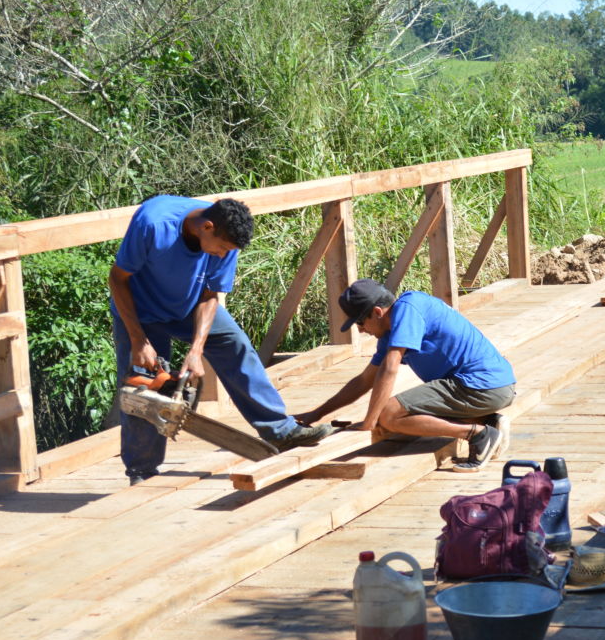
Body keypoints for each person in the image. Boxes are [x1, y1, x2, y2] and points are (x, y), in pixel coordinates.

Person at [109, 195, 330, 484]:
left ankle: (280, 429)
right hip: (139, 313)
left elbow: (212, 293)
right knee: (142, 388)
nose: (223, 255)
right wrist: (139, 340)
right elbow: (117, 279)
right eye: (222, 248)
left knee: (235, 345)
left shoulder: (227, 239)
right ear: (207, 227)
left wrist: (196, 350)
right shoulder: (154, 223)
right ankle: (142, 471)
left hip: (188, 306)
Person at [294, 279, 515, 470]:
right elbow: (364, 381)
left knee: (389, 414)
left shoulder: (409, 308)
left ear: (377, 312)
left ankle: (478, 435)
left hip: (480, 384)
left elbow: (390, 368)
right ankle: (487, 420)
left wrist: (370, 422)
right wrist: (317, 413)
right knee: (398, 411)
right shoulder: (389, 334)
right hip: (486, 387)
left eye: (360, 322)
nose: (360, 330)